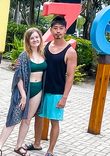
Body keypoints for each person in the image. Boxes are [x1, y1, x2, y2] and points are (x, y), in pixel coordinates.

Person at [19, 15, 77, 156]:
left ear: (65, 30)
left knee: (54, 122)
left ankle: (50, 151)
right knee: (38, 117)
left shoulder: (70, 52)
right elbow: (31, 58)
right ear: (51, 30)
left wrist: (64, 97)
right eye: (55, 28)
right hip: (41, 89)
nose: (58, 31)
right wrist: (18, 63)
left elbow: (70, 76)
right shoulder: (44, 47)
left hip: (56, 92)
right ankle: (37, 144)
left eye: (61, 28)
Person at [0, 28, 46, 156]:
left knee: (27, 120)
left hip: (38, 90)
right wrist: (23, 95)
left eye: (37, 37)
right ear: (28, 40)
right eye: (32, 38)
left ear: (40, 38)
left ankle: (18, 146)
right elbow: (19, 76)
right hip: (24, 92)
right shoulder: (24, 56)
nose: (35, 40)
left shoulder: (43, 54)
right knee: (13, 118)